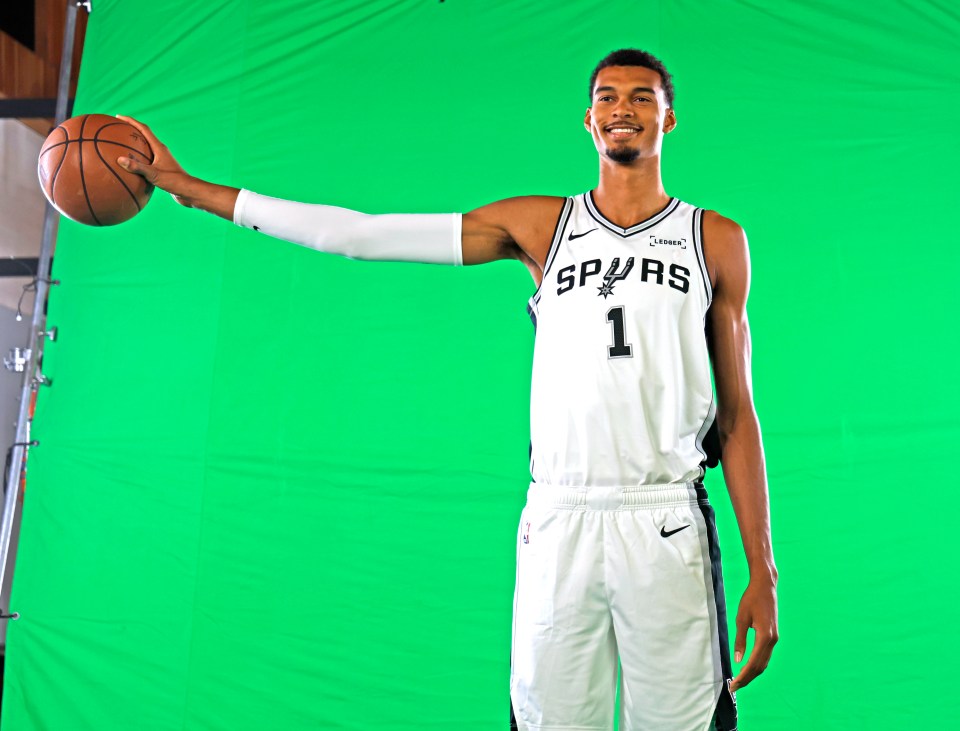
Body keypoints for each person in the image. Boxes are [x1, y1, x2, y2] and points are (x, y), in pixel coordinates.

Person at [117, 48, 777, 731]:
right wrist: (194, 190)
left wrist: (765, 568)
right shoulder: (541, 226)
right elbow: (362, 236)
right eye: (609, 97)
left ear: (670, 117)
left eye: (642, 97)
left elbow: (736, 419)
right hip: (559, 518)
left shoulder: (714, 238)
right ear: (588, 119)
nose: (624, 110)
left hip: (665, 518)